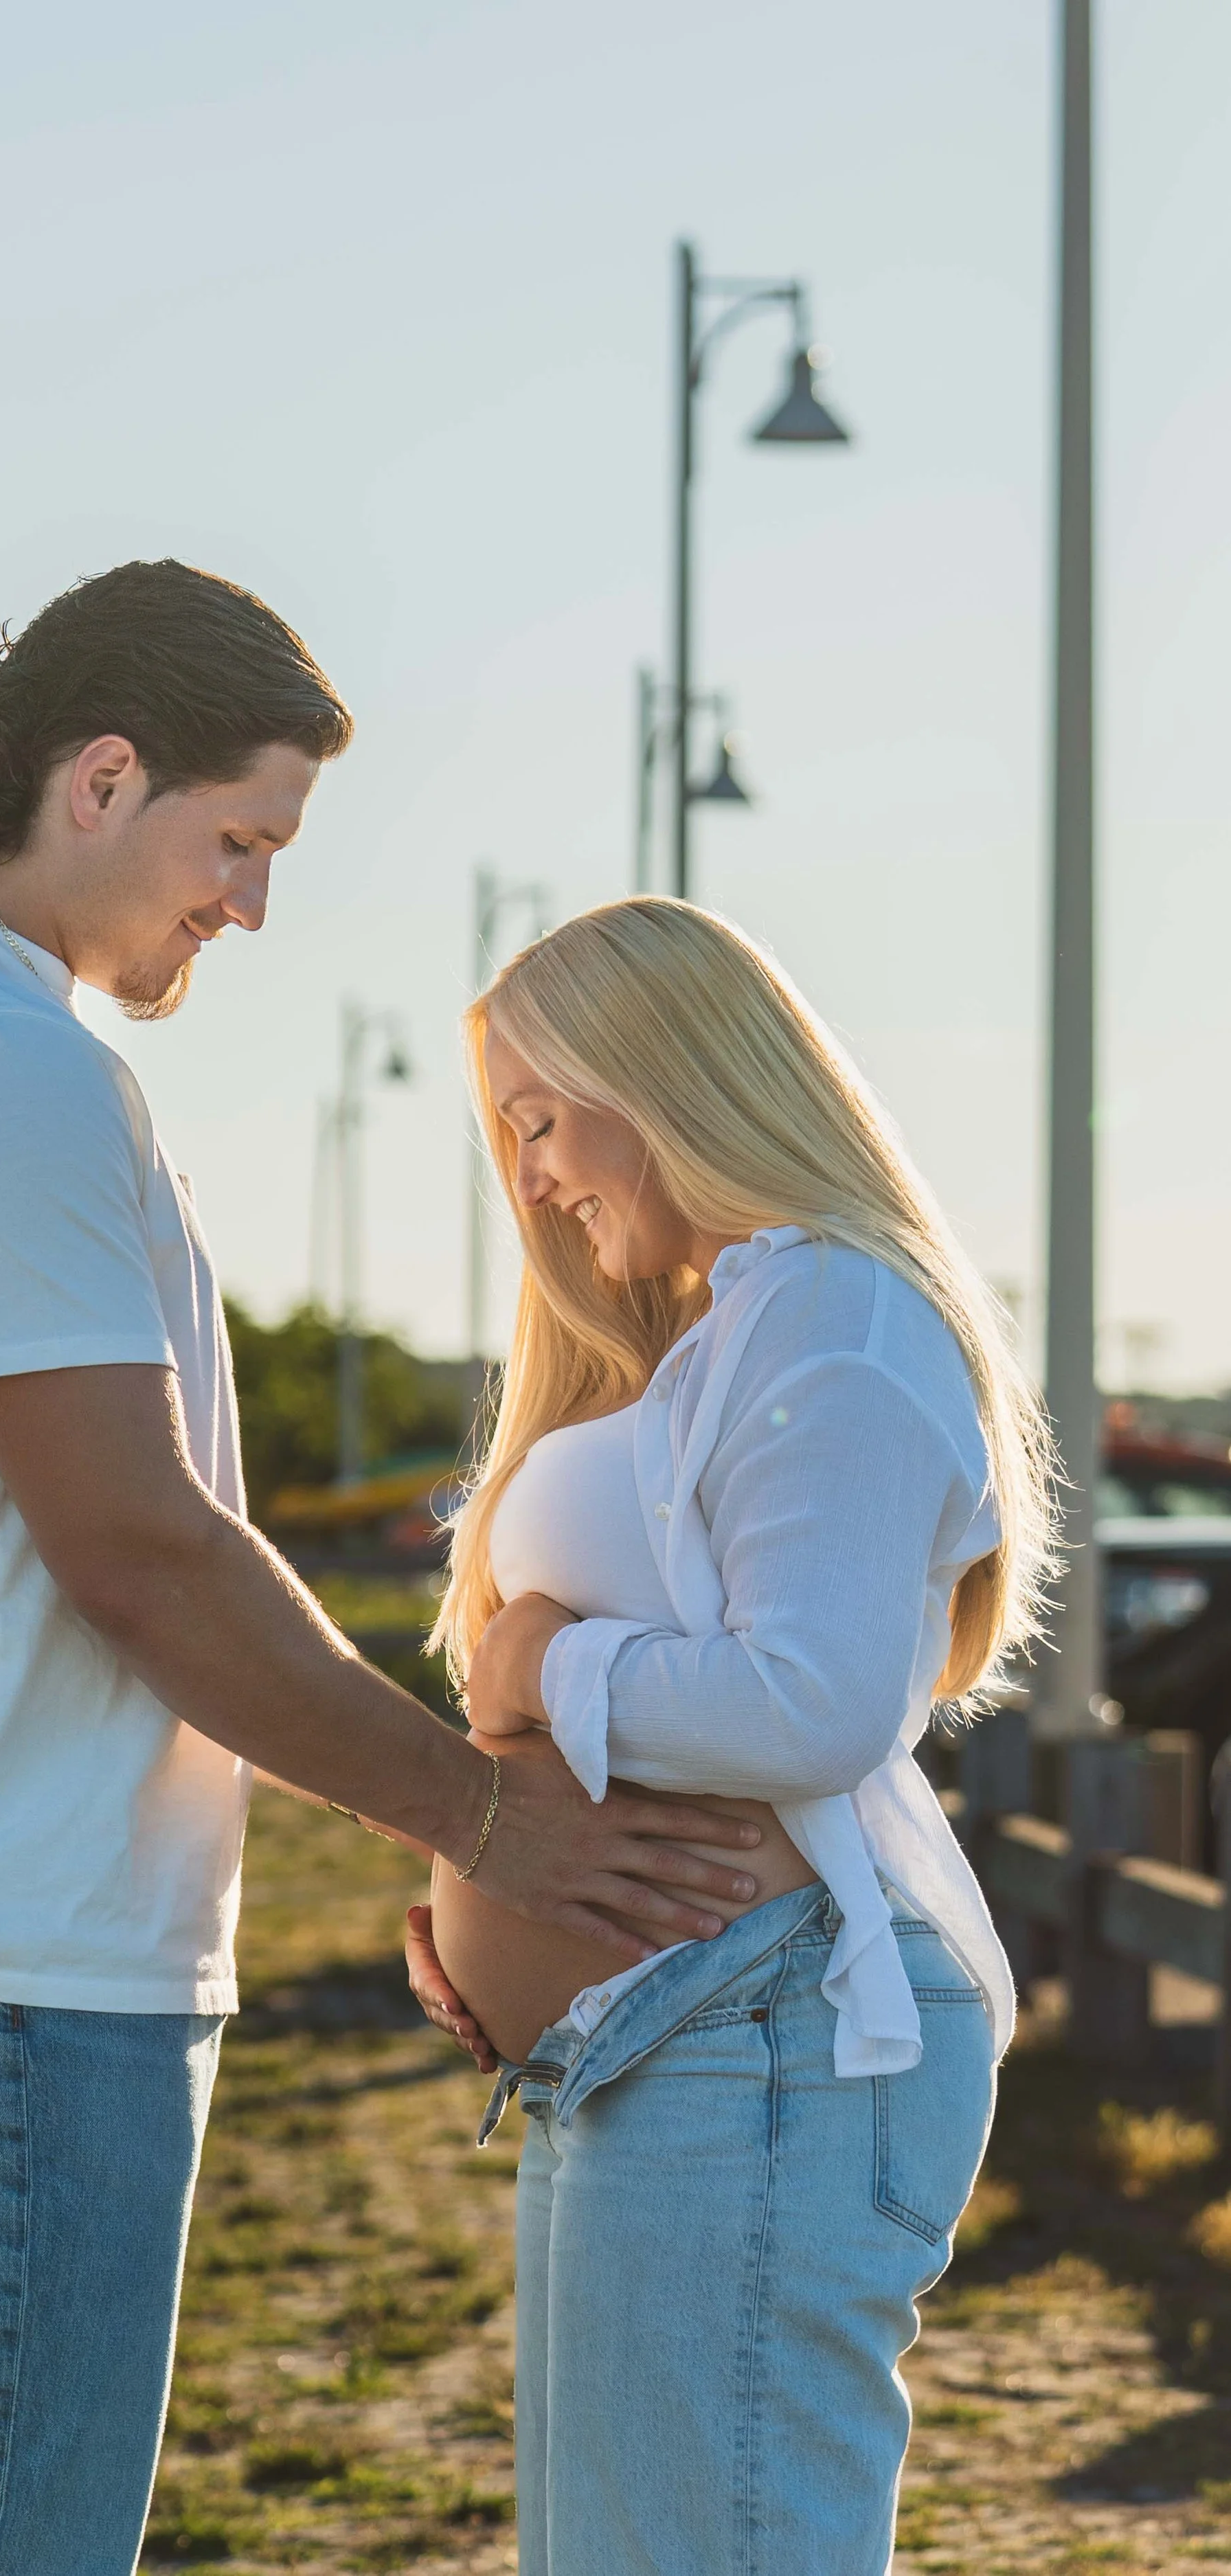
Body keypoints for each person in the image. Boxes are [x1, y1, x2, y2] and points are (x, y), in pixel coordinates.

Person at [0, 561, 768, 2576]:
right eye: (240, 840)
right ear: (99, 775)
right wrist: (481, 1815)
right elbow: (141, 1550)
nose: (252, 905)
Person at [405, 895, 1056, 2576]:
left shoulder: (830, 1311)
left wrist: (542, 1668)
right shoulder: (720, 1332)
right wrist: (493, 1880)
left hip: (761, 2037)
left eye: (539, 1121)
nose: (531, 1177)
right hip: (664, 2034)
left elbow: (810, 1702)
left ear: (666, 1075)